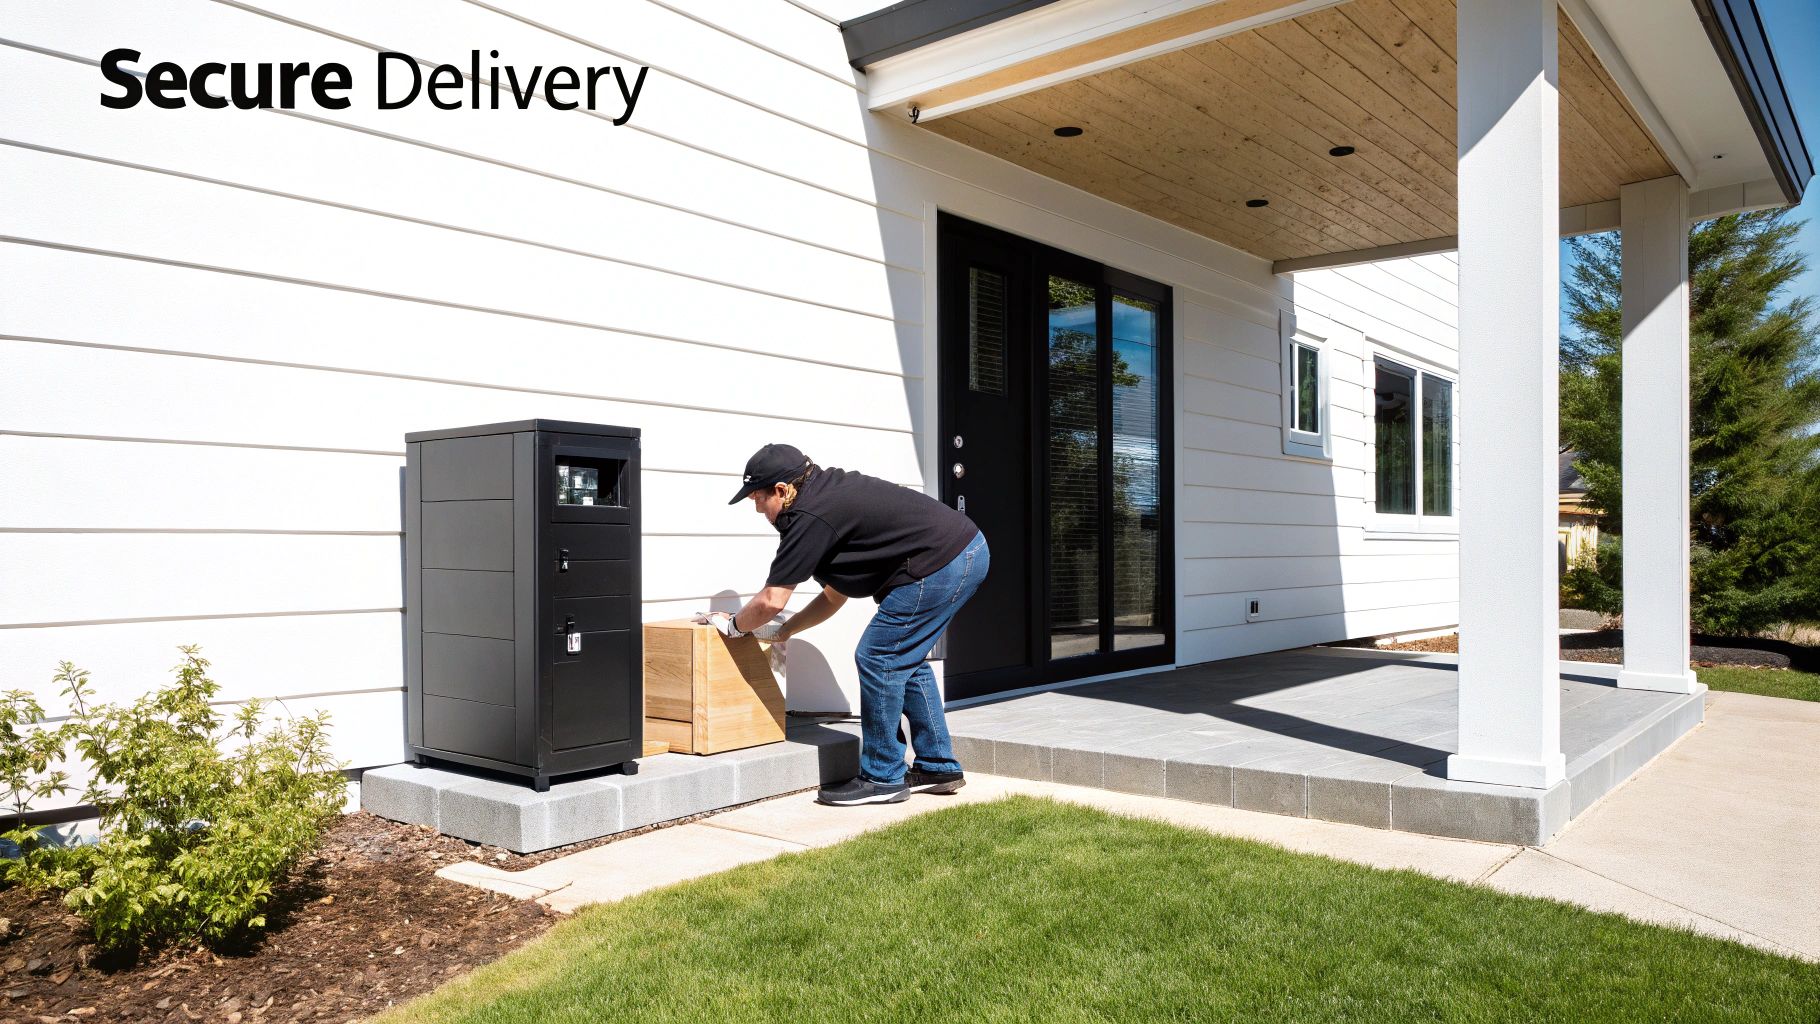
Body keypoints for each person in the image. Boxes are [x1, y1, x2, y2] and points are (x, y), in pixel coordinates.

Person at [712, 443, 988, 806]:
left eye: (758, 499)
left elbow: (771, 600)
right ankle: (938, 765)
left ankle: (882, 776)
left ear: (781, 490)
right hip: (962, 552)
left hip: (942, 562)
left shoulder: (808, 515)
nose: (758, 509)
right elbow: (833, 595)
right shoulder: (825, 499)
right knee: (903, 659)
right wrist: (785, 630)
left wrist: (734, 625)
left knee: (878, 658)